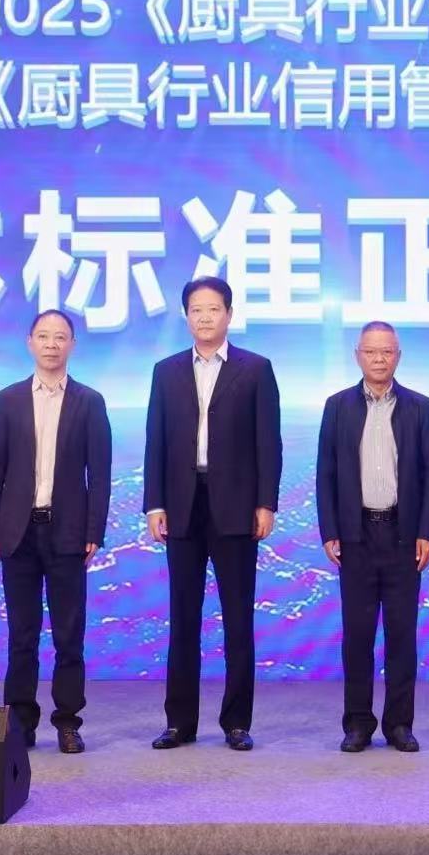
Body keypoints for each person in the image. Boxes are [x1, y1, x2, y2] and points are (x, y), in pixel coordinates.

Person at [143, 276, 282, 752]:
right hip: (181, 507)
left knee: (238, 619)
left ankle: (236, 722)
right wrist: (155, 503)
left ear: (229, 314)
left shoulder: (255, 369)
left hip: (237, 507)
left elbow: (268, 442)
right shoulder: (166, 372)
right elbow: (156, 441)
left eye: (213, 309)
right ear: (186, 317)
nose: (205, 317)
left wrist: (266, 503)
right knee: (183, 618)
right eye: (196, 310)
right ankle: (179, 722)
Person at [0, 310, 111, 754]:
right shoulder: (8, 400)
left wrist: (94, 530)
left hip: (68, 532)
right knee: (22, 634)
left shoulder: (90, 401)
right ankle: (19, 722)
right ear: (30, 342)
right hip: (17, 534)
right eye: (43, 336)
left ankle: (68, 721)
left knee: (69, 635)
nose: (51, 344)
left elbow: (100, 474)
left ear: (72, 344)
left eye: (60, 337)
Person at [315, 322, 429, 754]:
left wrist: (427, 532)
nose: (379, 359)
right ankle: (357, 723)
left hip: (403, 536)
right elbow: (326, 474)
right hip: (356, 536)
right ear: (358, 355)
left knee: (401, 636)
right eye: (371, 352)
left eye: (386, 352)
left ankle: (399, 724)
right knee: (357, 636)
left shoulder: (420, 407)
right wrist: (330, 531)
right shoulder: (337, 407)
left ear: (398, 357)